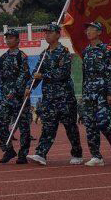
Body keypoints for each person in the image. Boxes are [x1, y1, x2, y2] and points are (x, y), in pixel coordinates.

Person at [26, 23, 83, 166]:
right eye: (46, 33)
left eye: (50, 32)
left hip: (65, 97)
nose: (47, 35)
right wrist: (30, 87)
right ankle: (41, 154)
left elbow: (63, 73)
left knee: (70, 127)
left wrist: (43, 75)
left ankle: (77, 154)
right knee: (48, 126)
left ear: (58, 34)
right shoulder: (44, 54)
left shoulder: (64, 52)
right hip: (49, 97)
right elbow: (36, 72)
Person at [81, 21, 111, 166]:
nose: (88, 32)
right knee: (90, 125)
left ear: (99, 32)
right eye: (87, 29)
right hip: (89, 93)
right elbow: (85, 74)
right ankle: (96, 156)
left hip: (102, 92)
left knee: (103, 123)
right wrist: (84, 92)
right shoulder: (86, 51)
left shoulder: (107, 50)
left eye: (92, 29)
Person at [0, 29, 31, 164]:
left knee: (24, 126)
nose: (8, 40)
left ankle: (23, 154)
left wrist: (14, 91)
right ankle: (8, 149)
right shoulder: (3, 58)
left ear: (17, 40)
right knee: (1, 123)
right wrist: (5, 92)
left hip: (20, 97)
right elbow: (0, 77)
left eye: (11, 38)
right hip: (6, 97)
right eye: (7, 38)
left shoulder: (22, 57)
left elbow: (24, 75)